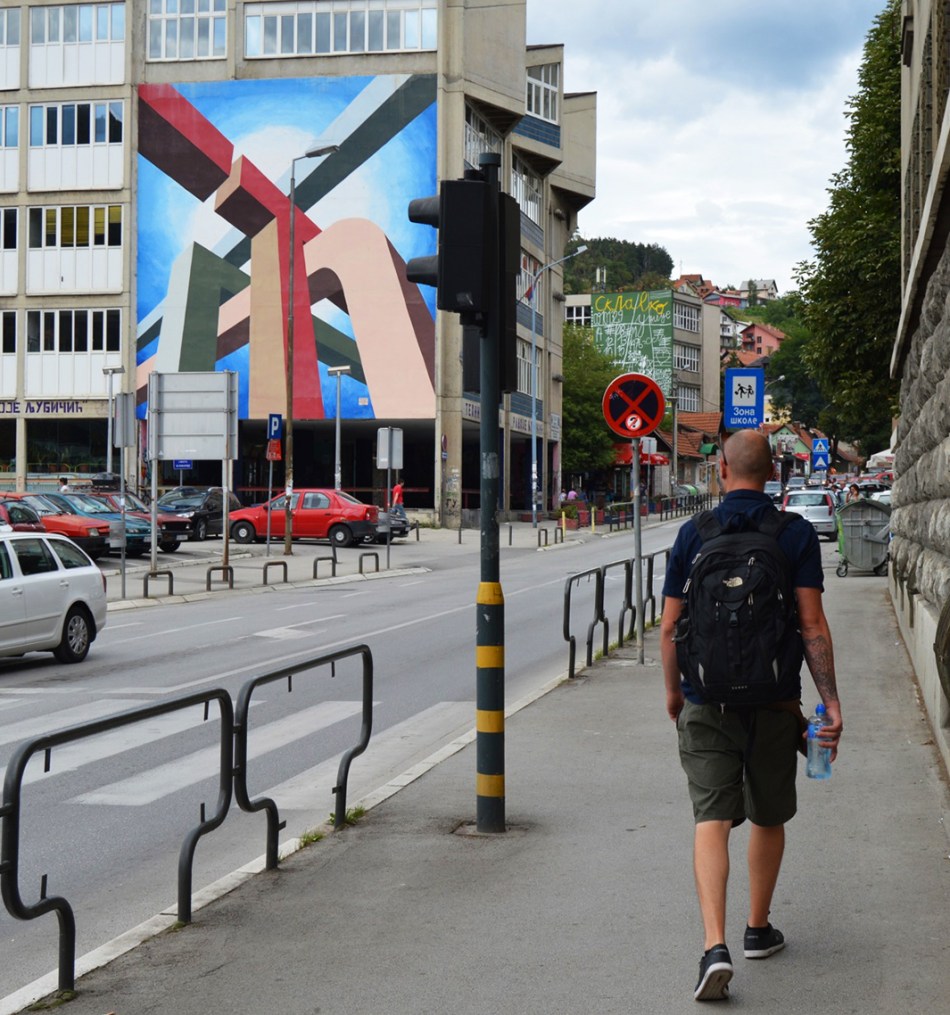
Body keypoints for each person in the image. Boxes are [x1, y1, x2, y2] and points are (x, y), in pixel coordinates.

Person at [659, 429, 843, 1001]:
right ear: (774, 475)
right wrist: (831, 702)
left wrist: (675, 695)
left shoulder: (693, 534)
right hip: (774, 698)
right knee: (767, 815)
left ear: (721, 471)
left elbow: (669, 627)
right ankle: (757, 929)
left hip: (706, 697)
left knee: (710, 819)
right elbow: (811, 625)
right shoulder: (794, 534)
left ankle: (714, 946)